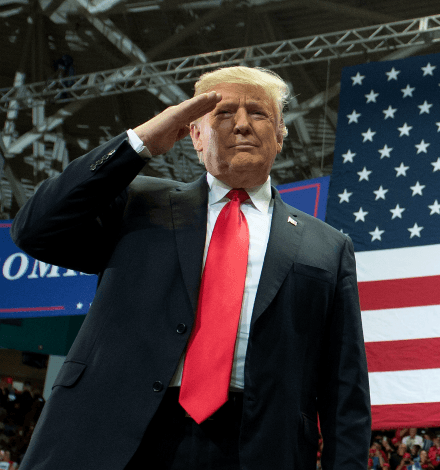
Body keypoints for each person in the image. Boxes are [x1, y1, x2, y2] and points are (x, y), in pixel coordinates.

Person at [11, 66, 372, 470]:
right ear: (194, 136)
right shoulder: (136, 204)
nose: (240, 125)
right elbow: (35, 229)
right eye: (222, 113)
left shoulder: (328, 246)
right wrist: (139, 143)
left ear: (281, 136)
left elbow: (345, 388)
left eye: (258, 113)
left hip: (257, 447)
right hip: (118, 435)